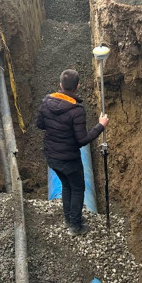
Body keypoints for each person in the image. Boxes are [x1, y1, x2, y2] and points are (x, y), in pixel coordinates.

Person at [36, 69, 108, 236]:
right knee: (77, 188)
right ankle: (75, 225)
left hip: (52, 156)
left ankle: (69, 218)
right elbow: (82, 140)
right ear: (77, 87)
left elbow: (40, 125)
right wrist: (101, 126)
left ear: (60, 85)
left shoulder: (46, 102)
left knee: (67, 185)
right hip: (69, 159)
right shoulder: (77, 111)